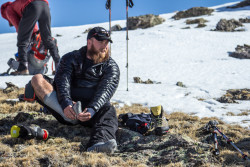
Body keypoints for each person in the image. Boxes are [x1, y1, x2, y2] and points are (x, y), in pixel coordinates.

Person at [30, 27, 120, 153]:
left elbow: (106, 90)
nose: (105, 46)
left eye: (107, 43)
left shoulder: (112, 67)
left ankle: (98, 143)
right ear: (89, 42)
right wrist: (66, 104)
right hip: (64, 107)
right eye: (101, 42)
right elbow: (62, 82)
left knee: (109, 110)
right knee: (37, 79)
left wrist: (92, 109)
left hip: (91, 111)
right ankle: (69, 117)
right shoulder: (70, 58)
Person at [1, 0, 60, 75]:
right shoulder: (17, 5)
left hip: (32, 6)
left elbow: (19, 28)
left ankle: (23, 68)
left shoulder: (8, 10)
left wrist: (26, 37)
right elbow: (32, 25)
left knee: (22, 40)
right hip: (45, 5)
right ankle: (59, 67)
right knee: (47, 39)